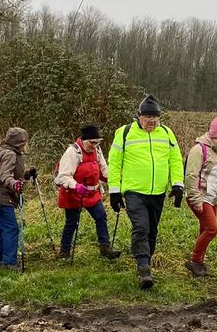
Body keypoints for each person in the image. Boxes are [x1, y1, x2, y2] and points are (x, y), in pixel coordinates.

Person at [107, 95, 184, 289]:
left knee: (152, 230)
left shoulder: (167, 133)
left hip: (158, 192)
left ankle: (146, 262)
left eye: (155, 117)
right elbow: (114, 164)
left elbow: (175, 160)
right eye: (148, 117)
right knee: (141, 227)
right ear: (138, 116)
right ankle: (143, 269)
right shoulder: (124, 133)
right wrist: (114, 191)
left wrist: (177, 185)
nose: (152, 121)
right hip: (134, 191)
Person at [54, 124, 121, 260]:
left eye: (97, 142)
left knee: (101, 216)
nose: (95, 146)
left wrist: (115, 181)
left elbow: (104, 169)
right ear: (84, 140)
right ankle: (64, 252)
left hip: (92, 193)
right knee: (72, 222)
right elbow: (64, 176)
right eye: (92, 142)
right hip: (73, 193)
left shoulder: (97, 150)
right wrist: (76, 186)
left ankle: (105, 248)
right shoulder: (72, 152)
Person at [184, 115, 217, 277]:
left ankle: (199, 262)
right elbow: (191, 176)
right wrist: (195, 199)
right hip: (201, 197)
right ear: (213, 135)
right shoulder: (199, 150)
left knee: (205, 229)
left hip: (213, 199)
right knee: (211, 229)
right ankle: (195, 261)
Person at [0, 127, 35, 270]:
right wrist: (14, 184)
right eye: (25, 142)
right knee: (11, 228)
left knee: (4, 227)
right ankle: (9, 262)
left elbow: (14, 174)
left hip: (1, 196)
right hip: (1, 197)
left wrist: (27, 174)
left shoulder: (11, 153)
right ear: (20, 143)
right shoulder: (10, 154)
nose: (27, 144)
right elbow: (5, 175)